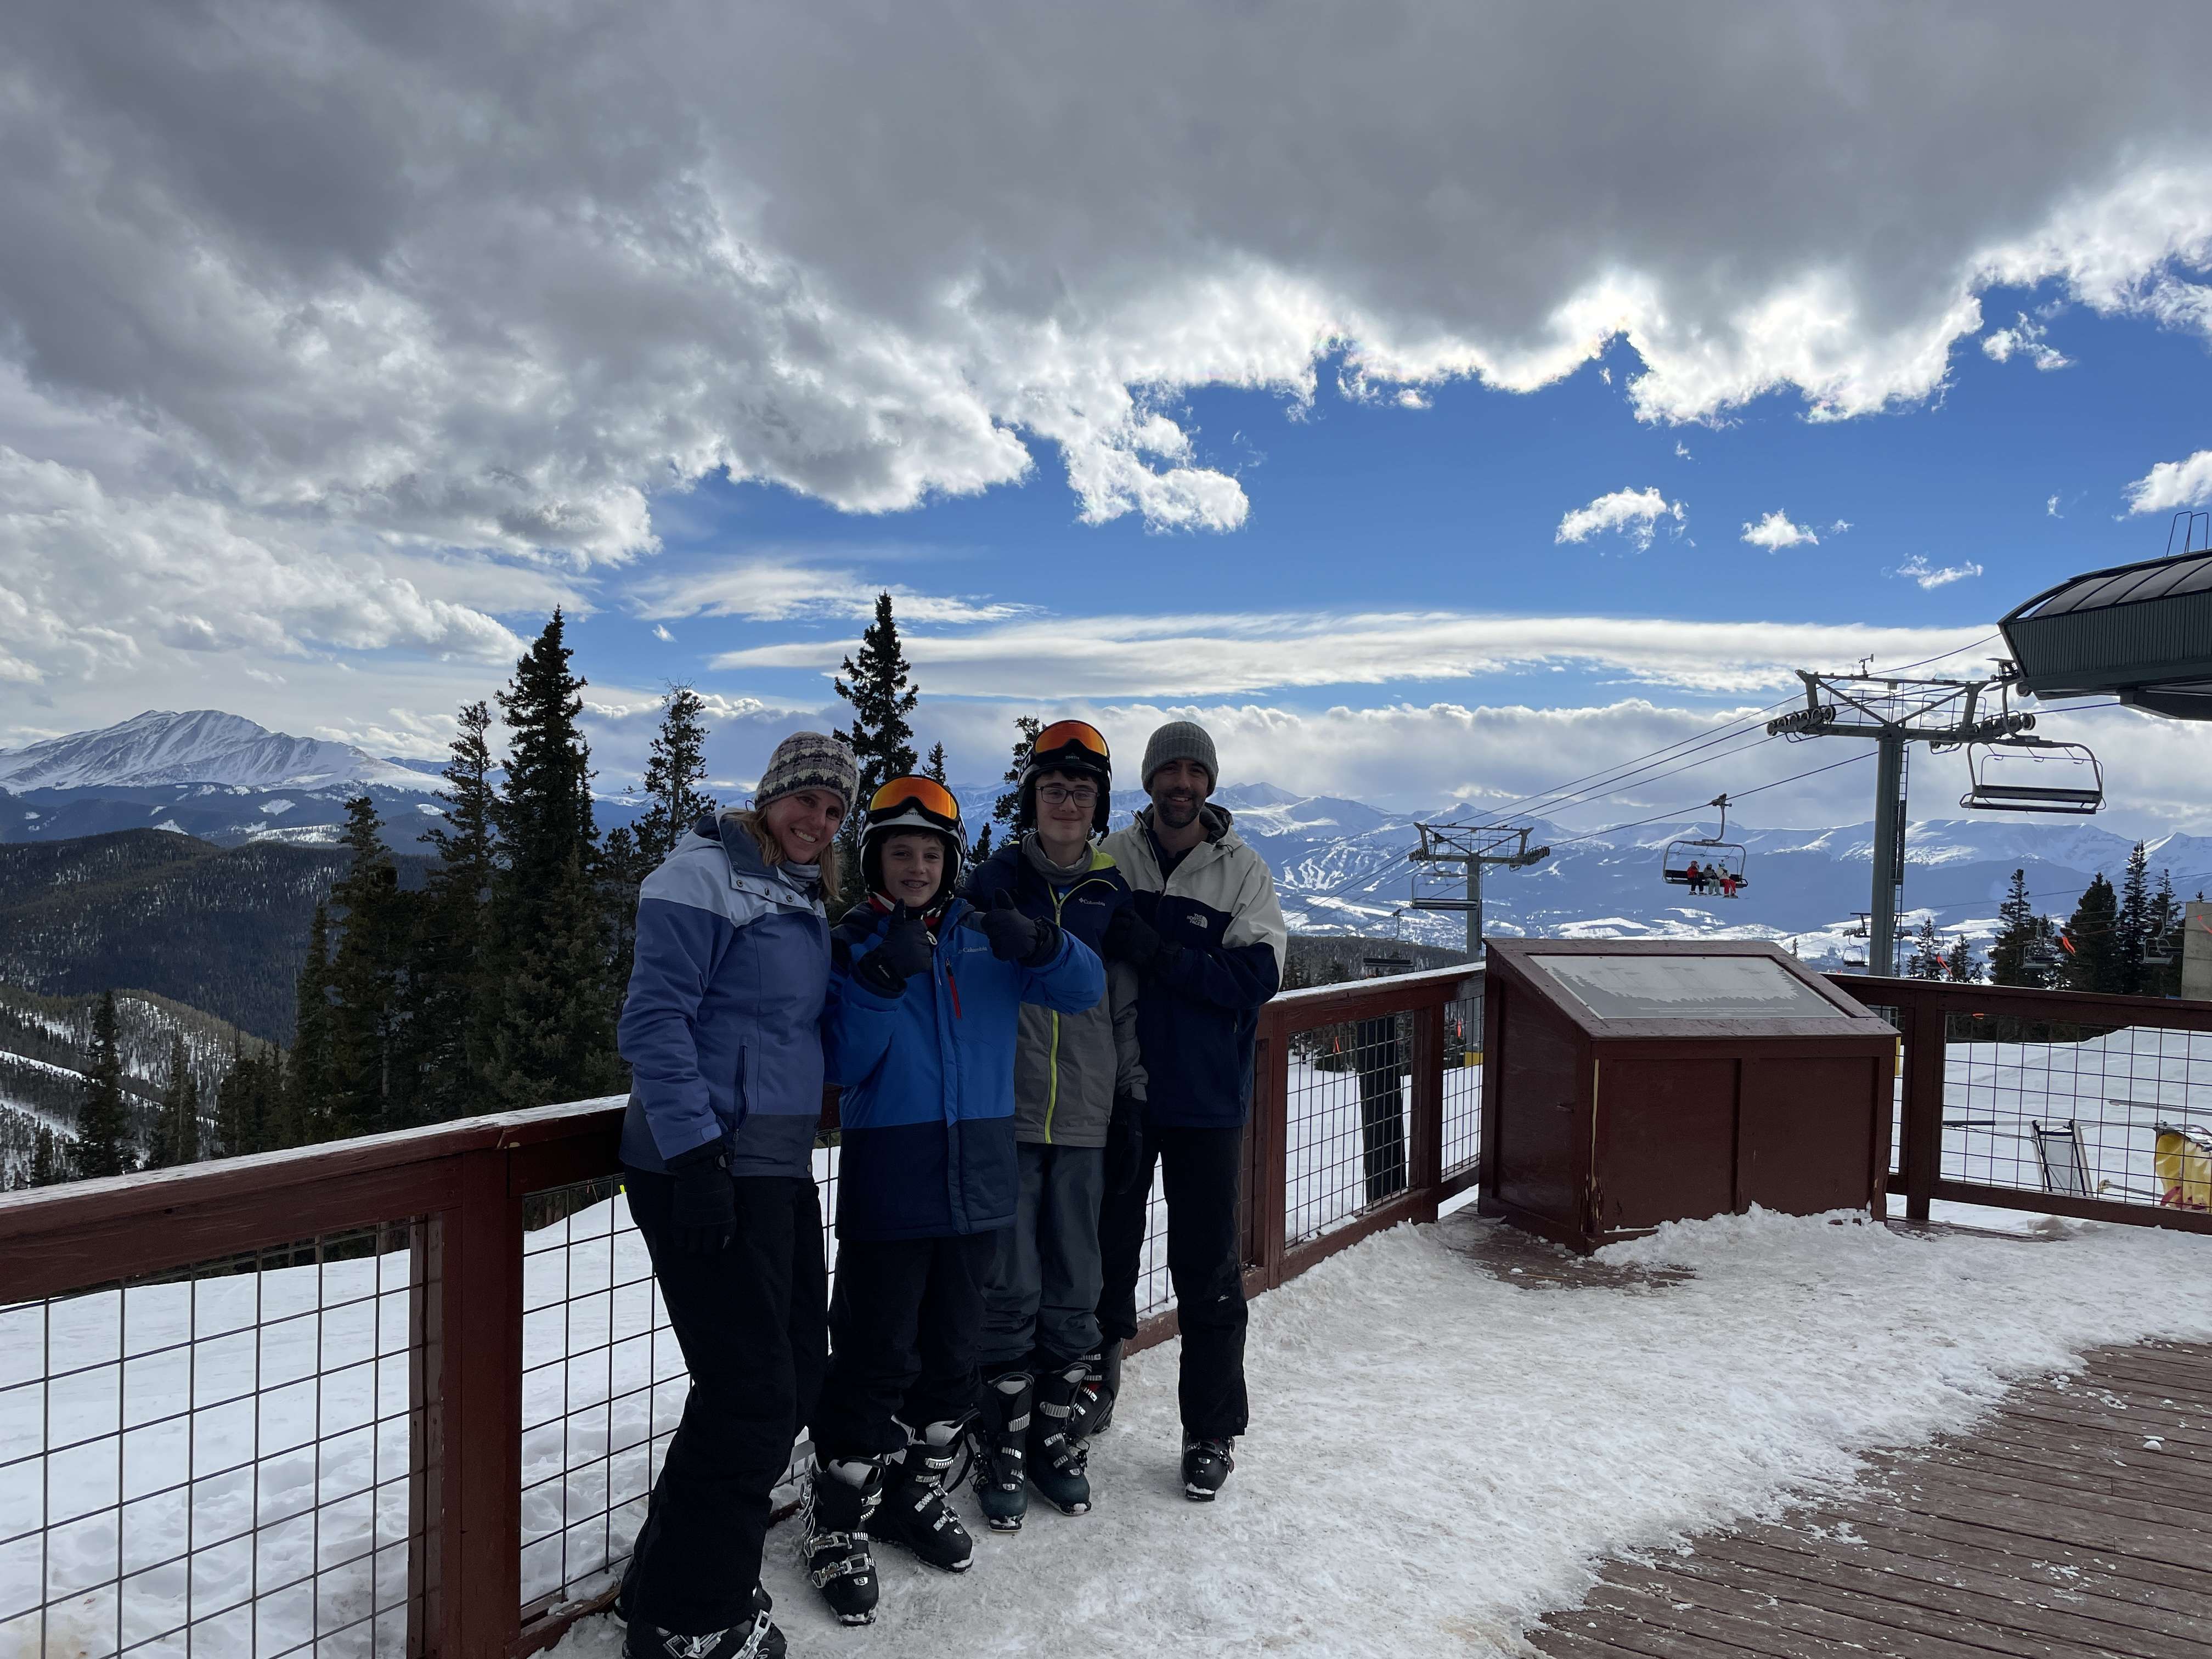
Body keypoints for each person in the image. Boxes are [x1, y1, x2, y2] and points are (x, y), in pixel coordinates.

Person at [804, 776, 1104, 1625]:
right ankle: (838, 1516)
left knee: (952, 1360)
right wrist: (878, 980)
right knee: (873, 1360)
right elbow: (840, 1062)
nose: (916, 867)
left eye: (930, 854)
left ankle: (913, 1493)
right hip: (891, 1187)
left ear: (951, 861)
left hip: (978, 1188)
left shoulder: (982, 936)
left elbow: (1081, 990)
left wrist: (1043, 942)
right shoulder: (852, 943)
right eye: (900, 852)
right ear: (875, 860)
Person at [614, 732, 857, 1659]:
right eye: (805, 800)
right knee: (751, 1393)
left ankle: (666, 1575)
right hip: (704, 1167)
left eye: (834, 810)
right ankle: (691, 1621)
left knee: (790, 1376)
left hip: (775, 1166)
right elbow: (654, 1021)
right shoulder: (700, 877)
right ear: (769, 796)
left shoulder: (801, 894)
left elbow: (790, 1031)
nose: (817, 821)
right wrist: (696, 1159)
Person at [1090, 720, 1286, 1502]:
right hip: (1120, 1092)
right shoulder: (1112, 857)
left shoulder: (1241, 870)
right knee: (1102, 1251)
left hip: (1206, 1100)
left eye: (1194, 772)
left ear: (1209, 784)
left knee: (1207, 1270)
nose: (1182, 784)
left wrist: (1163, 954)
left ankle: (1210, 1429)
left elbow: (1255, 979)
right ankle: (1092, 1388)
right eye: (1169, 771)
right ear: (1149, 781)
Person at [959, 721, 1144, 1531]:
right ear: (1032, 799)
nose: (1067, 803)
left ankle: (1054, 1437)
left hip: (1086, 1115)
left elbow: (1126, 1006)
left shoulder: (1112, 894)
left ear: (1099, 806)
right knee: (1010, 1283)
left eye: (1081, 791)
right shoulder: (994, 883)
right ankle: (1002, 1440)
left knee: (1076, 1283)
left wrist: (1132, 1099)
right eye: (1053, 789)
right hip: (1006, 1107)